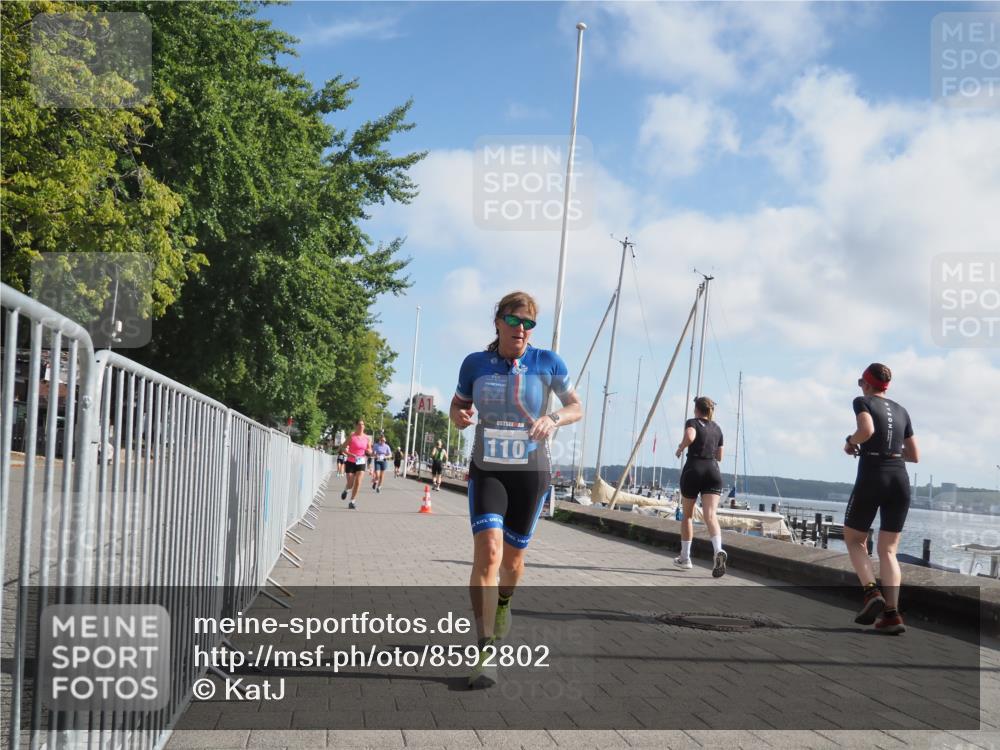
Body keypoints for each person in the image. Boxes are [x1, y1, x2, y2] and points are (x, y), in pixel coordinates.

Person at [450, 290, 583, 688]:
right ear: (498, 322)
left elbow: (577, 405)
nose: (521, 330)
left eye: (529, 324)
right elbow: (457, 406)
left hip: (530, 472)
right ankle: (485, 650)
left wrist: (554, 418)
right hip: (488, 469)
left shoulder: (547, 362)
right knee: (489, 552)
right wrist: (460, 417)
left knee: (512, 563)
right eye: (514, 321)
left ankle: (505, 602)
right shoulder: (475, 363)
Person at [843, 363, 918, 635]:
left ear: (867, 383)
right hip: (900, 477)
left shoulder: (862, 401)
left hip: (874, 474)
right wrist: (891, 451)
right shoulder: (902, 410)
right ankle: (892, 614)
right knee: (888, 550)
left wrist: (851, 442)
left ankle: (871, 593)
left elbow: (867, 430)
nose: (860, 387)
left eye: (861, 382)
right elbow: (914, 455)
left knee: (853, 539)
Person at [674, 397, 727, 578]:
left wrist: (681, 448)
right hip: (713, 471)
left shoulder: (692, 422)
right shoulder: (717, 428)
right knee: (710, 516)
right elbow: (720, 456)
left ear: (697, 409)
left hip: (694, 469)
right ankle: (718, 550)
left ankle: (685, 558)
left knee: (688, 515)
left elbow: (690, 436)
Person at [338, 420, 372, 510]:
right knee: (350, 483)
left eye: (363, 424)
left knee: (358, 482)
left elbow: (370, 449)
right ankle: (346, 490)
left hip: (361, 461)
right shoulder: (352, 436)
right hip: (350, 461)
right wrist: (349, 454)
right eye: (359, 424)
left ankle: (352, 501)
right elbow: (343, 448)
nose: (361, 426)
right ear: (356, 426)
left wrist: (369, 451)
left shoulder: (367, 438)